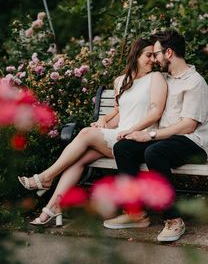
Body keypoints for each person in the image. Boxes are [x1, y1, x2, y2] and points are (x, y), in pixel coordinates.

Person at [18, 38, 167, 226]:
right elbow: (121, 113)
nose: (153, 60)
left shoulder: (156, 78)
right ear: (136, 56)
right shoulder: (121, 81)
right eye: (148, 55)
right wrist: (104, 121)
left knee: (86, 134)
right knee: (78, 159)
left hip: (139, 140)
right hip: (121, 136)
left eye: (155, 55)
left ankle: (46, 177)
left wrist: (128, 130)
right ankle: (53, 207)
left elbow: (156, 112)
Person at [103, 29, 208, 242]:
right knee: (123, 147)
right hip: (166, 140)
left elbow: (188, 126)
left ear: (169, 53)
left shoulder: (195, 82)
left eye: (156, 54)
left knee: (154, 152)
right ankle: (135, 212)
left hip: (193, 143)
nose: (154, 59)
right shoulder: (166, 78)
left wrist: (150, 134)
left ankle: (173, 219)